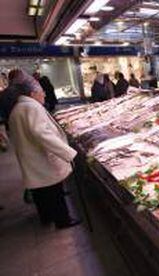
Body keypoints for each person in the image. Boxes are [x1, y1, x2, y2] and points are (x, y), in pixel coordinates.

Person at [0, 72, 80, 229]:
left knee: (41, 192)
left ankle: (46, 217)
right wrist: (68, 153)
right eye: (41, 91)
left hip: (32, 159)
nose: (44, 94)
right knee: (54, 192)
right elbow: (42, 134)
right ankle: (63, 221)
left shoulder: (19, 107)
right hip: (41, 159)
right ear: (32, 94)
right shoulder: (31, 108)